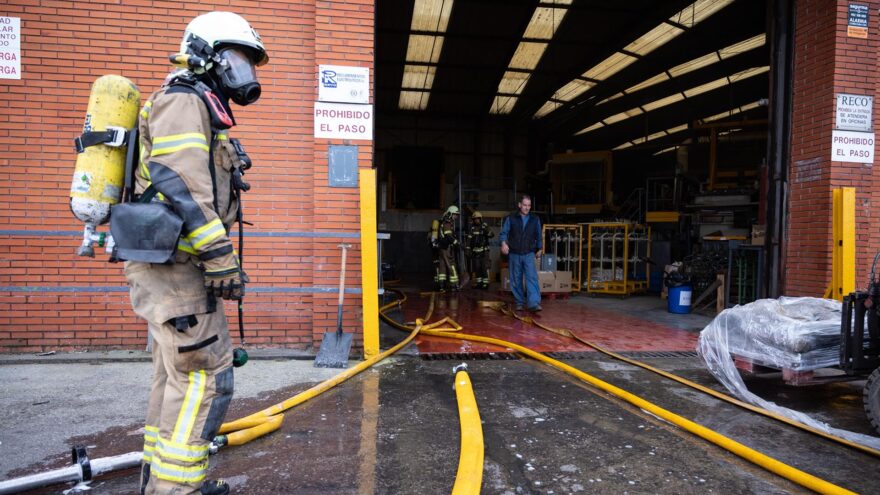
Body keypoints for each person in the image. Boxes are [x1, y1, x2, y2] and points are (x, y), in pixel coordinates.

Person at [124, 12, 268, 495]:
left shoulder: (197, 105)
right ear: (205, 54)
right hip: (179, 270)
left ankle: (160, 484)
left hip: (172, 268)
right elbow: (182, 188)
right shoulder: (184, 101)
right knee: (205, 376)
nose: (243, 73)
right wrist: (220, 256)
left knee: (175, 376)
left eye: (249, 64)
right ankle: (177, 489)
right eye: (236, 60)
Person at [500, 194, 543, 312]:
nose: (527, 208)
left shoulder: (535, 219)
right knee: (516, 279)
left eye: (529, 205)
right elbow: (504, 233)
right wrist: (504, 243)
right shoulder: (511, 218)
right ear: (519, 205)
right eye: (524, 205)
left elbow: (539, 234)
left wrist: (539, 248)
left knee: (532, 278)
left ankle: (533, 303)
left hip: (529, 253)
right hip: (514, 253)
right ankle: (519, 302)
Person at [431, 205, 461, 291]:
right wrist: (457, 243)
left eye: (457, 214)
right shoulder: (447, 223)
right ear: (450, 214)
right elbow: (448, 236)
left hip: (441, 248)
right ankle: (454, 285)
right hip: (446, 248)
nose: (456, 216)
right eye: (455, 214)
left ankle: (442, 286)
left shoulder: (444, 222)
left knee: (442, 266)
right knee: (451, 265)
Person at [465, 211, 493, 289]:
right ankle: (479, 283)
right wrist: (467, 250)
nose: (476, 220)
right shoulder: (472, 228)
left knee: (484, 267)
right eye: (475, 219)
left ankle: (485, 284)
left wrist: (486, 231)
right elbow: (469, 240)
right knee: (477, 268)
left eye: (477, 219)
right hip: (475, 252)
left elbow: (491, 234)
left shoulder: (484, 226)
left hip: (484, 252)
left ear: (480, 219)